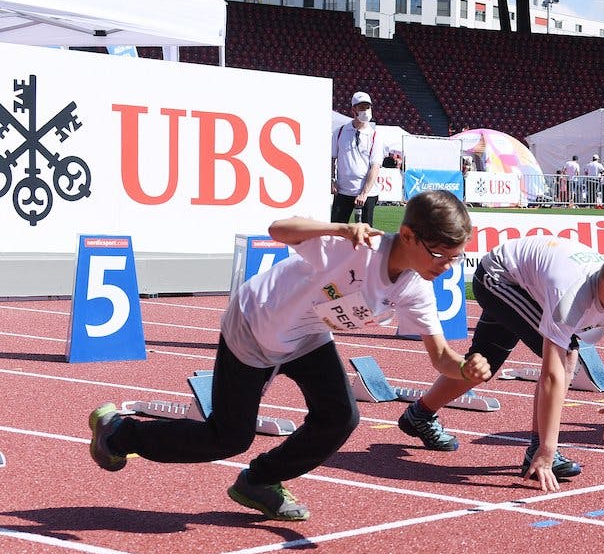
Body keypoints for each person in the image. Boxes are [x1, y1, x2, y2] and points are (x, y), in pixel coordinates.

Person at [87, 191, 488, 521]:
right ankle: (118, 433)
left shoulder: (415, 288)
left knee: (340, 417)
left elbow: (440, 357)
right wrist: (339, 226)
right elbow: (278, 229)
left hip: (308, 336)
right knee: (228, 438)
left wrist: (465, 368)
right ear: (407, 236)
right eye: (440, 254)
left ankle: (259, 481)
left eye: (456, 257)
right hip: (255, 323)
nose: (447, 265)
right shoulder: (354, 247)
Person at [395, 237, 604, 491]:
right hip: (499, 277)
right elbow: (552, 374)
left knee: (481, 367)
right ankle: (537, 449)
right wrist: (547, 449)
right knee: (567, 356)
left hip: (527, 278)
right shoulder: (571, 295)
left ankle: (419, 415)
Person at [331, 91, 386, 226]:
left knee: (365, 234)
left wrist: (364, 193)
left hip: (367, 194)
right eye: (361, 107)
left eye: (367, 107)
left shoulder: (375, 136)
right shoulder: (340, 132)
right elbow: (332, 159)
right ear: (353, 110)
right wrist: (332, 180)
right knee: (335, 230)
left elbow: (375, 166)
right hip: (343, 191)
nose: (365, 111)